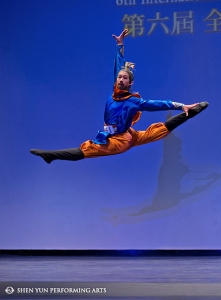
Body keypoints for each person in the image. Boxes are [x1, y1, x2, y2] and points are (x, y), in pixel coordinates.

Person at [30, 29, 208, 164]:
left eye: (125, 78)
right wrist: (120, 45)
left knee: (88, 149)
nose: (121, 79)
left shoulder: (133, 102)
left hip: (121, 140)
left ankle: (50, 155)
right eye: (120, 77)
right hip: (130, 134)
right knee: (156, 131)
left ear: (130, 83)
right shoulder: (117, 87)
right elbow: (119, 65)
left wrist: (179, 105)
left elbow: (156, 104)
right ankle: (193, 112)